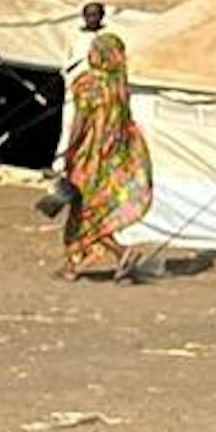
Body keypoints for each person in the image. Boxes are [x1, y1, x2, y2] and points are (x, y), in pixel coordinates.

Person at [54, 31, 157, 282]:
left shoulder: (88, 83)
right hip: (115, 157)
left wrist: (69, 150)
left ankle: (118, 253)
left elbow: (80, 122)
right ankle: (73, 265)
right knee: (90, 208)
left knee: (84, 210)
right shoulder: (119, 86)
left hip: (91, 156)